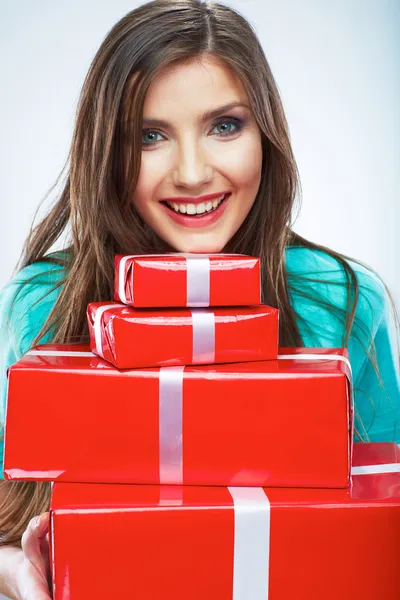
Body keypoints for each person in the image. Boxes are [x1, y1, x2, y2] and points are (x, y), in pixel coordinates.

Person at [0, 0, 399, 597]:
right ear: (106, 152)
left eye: (224, 126)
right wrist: (18, 571)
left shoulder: (341, 302)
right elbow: (9, 522)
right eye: (149, 135)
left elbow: (380, 531)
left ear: (265, 134)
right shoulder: (40, 304)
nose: (191, 173)